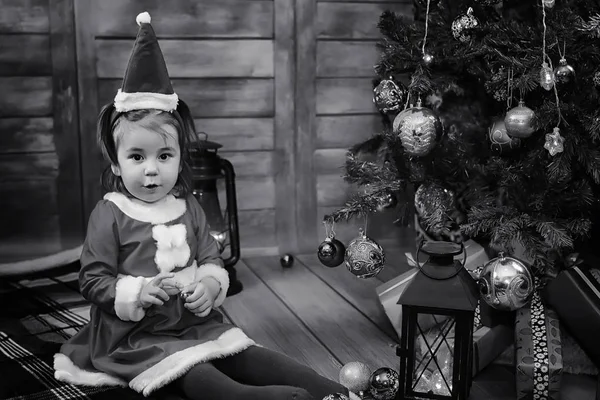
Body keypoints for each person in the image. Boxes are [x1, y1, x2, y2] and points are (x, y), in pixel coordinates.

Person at [52, 11, 358, 400]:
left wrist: (211, 285)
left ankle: (331, 391)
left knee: (244, 353)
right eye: (136, 157)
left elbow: (212, 259)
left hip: (194, 323)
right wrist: (137, 293)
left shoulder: (187, 207)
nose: (151, 171)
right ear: (115, 162)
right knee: (192, 373)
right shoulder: (110, 214)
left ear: (180, 158)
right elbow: (92, 280)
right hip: (134, 337)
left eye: (164, 156)